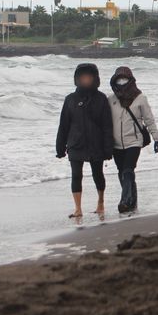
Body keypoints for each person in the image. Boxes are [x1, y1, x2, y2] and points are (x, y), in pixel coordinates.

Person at [56, 63, 113, 218]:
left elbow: (107, 125)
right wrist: (59, 147)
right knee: (76, 175)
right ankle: (78, 208)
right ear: (77, 79)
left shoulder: (101, 99)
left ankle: (100, 202)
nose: (86, 80)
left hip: (96, 144)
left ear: (95, 79)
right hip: (75, 144)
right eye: (83, 77)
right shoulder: (70, 99)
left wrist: (108, 148)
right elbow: (63, 125)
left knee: (97, 174)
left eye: (89, 77)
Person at [108, 67, 158, 213]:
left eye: (124, 79)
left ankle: (124, 200)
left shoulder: (140, 98)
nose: (121, 82)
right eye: (118, 79)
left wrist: (156, 138)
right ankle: (132, 200)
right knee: (121, 172)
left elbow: (149, 119)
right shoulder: (111, 99)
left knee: (128, 170)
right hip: (116, 144)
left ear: (131, 80)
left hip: (134, 142)